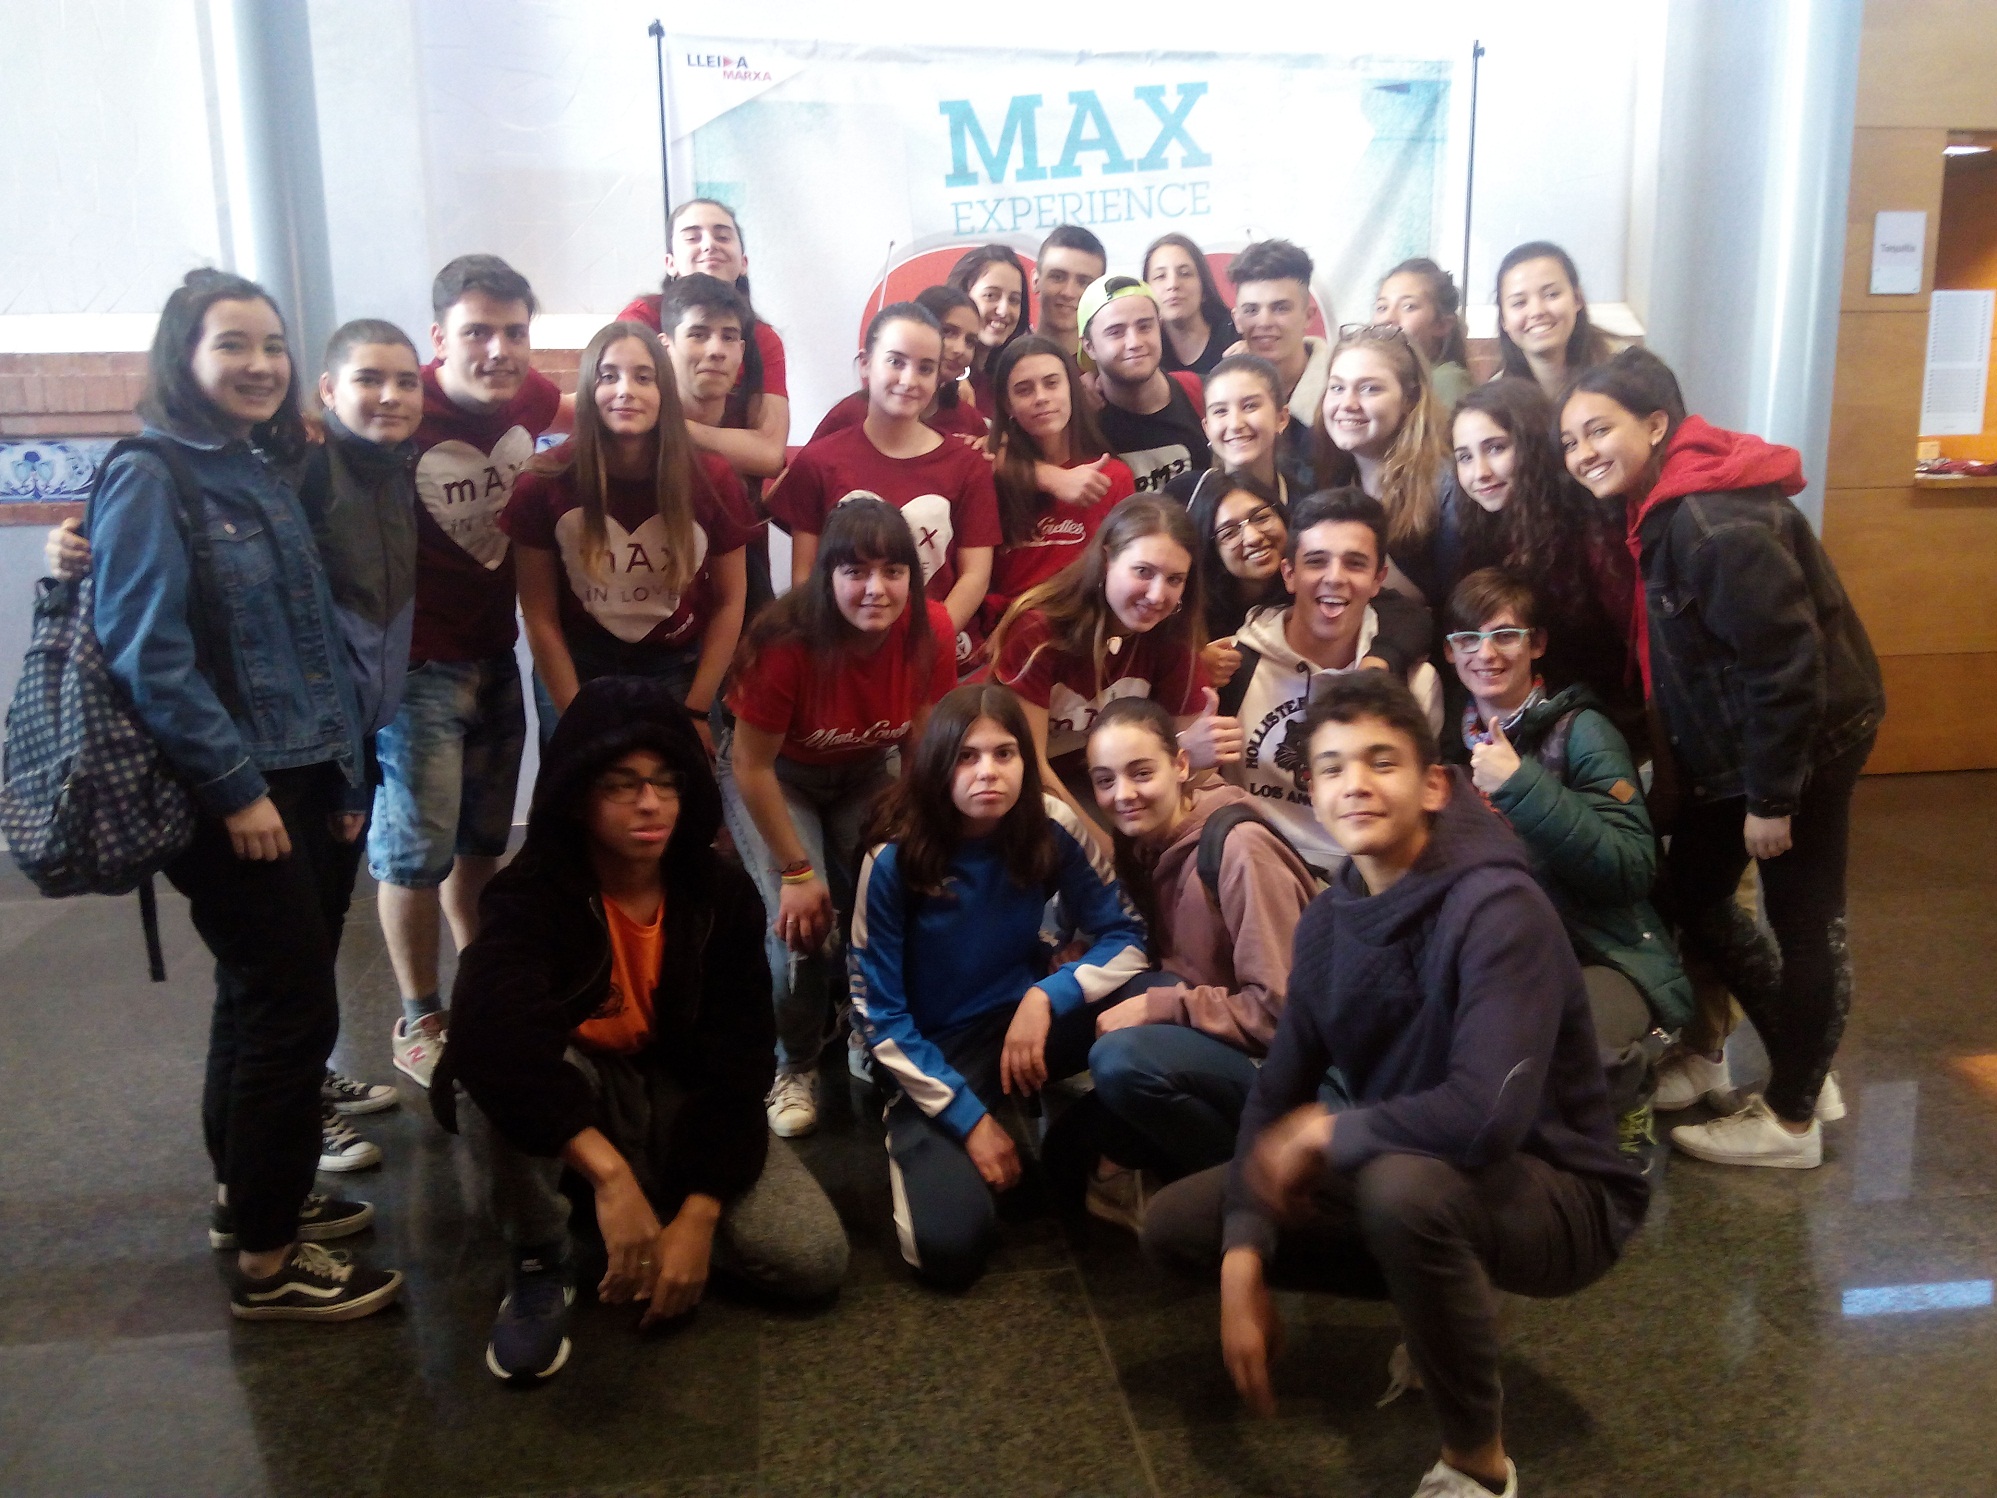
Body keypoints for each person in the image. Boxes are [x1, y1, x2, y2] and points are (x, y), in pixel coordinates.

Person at [1143, 673, 1650, 1498]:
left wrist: (1326, 1133)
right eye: (1332, 767)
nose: (1356, 784)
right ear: (1312, 793)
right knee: (1181, 1225)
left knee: (1401, 1191)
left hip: (1561, 1191)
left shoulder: (1498, 906)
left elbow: (1485, 1117)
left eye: (1382, 762)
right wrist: (1243, 1257)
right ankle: (1442, 1290)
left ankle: (1476, 1465)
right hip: (1421, 1162)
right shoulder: (1329, 919)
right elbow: (1277, 1091)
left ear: (1433, 785)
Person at [88, 268, 400, 1320]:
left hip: (305, 774)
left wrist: (345, 776)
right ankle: (269, 1263)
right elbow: (149, 654)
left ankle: (248, 1200)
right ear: (184, 356)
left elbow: (313, 645)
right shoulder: (152, 476)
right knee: (292, 1008)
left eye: (271, 344)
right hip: (237, 791)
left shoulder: (259, 466)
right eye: (233, 344)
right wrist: (234, 790)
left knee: (256, 992)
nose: (259, 364)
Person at [436, 678, 848, 1382]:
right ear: (578, 795)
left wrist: (699, 1214)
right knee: (484, 1077)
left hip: (672, 1094)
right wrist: (610, 1177)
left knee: (811, 1260)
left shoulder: (719, 895)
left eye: (666, 782)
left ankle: (635, 1216)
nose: (650, 803)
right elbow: (490, 1040)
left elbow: (741, 1062)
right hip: (577, 1090)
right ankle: (538, 1256)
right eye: (622, 785)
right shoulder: (531, 895)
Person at [1560, 348, 1884, 1169]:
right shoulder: (1665, 503)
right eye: (1570, 440)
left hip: (1800, 746)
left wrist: (1772, 799)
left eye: (1598, 430)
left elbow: (1783, 668)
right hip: (1740, 749)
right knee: (1692, 890)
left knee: (1804, 920)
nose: (1582, 452)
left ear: (1655, 425)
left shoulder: (1712, 521)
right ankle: (1791, 1068)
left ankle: (1791, 1119)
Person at [848, 682, 1149, 1288]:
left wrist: (1047, 995)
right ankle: (923, 1114)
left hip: (1025, 1021)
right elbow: (877, 1013)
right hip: (937, 1047)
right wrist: (970, 1122)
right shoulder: (893, 857)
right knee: (950, 1249)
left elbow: (1129, 933)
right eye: (967, 756)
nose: (988, 771)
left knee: (1157, 1002)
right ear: (937, 764)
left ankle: (1085, 1146)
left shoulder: (1051, 822)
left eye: (1004, 753)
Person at [374, 254, 561, 1091]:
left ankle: (482, 997)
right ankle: (419, 1016)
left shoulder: (530, 398)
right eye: (477, 331)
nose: (498, 350)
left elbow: (584, 413)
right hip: (417, 672)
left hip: (494, 657)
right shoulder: (401, 408)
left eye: (514, 332)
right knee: (414, 853)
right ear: (439, 336)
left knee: (481, 844)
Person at [719, 499, 958, 1139]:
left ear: (912, 577)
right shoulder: (783, 642)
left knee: (886, 895)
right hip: (775, 776)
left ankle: (865, 1024)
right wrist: (796, 871)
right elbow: (750, 765)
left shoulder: (930, 628)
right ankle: (794, 1063)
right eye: (856, 571)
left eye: (892, 571)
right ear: (827, 576)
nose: (876, 589)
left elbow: (921, 739)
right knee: (800, 924)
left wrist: (919, 831)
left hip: (862, 769)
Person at [1444, 567, 1694, 1150]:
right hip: (1505, 948)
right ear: (1451, 652)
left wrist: (1520, 786)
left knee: (1568, 1049)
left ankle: (1628, 1099)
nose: (1486, 654)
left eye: (1505, 635)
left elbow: (1631, 868)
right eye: (1469, 639)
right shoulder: (1451, 741)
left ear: (1536, 644)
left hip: (1603, 949)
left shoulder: (1583, 731)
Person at [1079, 697, 1317, 1201]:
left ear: (1182, 765)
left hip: (1282, 1069)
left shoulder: (1240, 850)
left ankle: (1248, 1193)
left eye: (1141, 773)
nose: (1123, 795)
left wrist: (1162, 1006)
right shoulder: (1143, 843)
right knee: (1066, 1153)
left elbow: (1280, 1013)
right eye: (1105, 780)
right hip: (1214, 1028)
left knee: (1121, 1062)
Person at [503, 319, 751, 749]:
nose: (625, 390)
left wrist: (696, 708)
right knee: (582, 787)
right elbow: (539, 614)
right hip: (576, 667)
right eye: (608, 376)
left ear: (664, 391)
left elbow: (731, 600)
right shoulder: (542, 483)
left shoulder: (712, 479)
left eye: (643, 377)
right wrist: (573, 715)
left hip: (678, 667)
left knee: (678, 787)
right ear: (588, 389)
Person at [1220, 489, 1443, 878]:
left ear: (1378, 579)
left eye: (1355, 563)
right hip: (1257, 872)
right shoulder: (1233, 666)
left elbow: (1418, 811)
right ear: (1289, 574)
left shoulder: (1413, 683)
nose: (1335, 578)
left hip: (1366, 877)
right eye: (1316, 561)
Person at [768, 301, 1000, 666]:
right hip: (843, 656)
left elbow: (974, 575)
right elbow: (805, 574)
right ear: (865, 364)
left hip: (934, 657)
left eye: (925, 368)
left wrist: (928, 643)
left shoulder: (967, 466)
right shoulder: (819, 461)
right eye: (895, 361)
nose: (909, 380)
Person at [987, 495, 1232, 831]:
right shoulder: (1037, 631)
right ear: (1106, 560)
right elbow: (1030, 765)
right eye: (1143, 572)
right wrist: (1100, 848)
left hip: (1119, 785)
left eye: (1175, 579)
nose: (1157, 595)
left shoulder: (1174, 635)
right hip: (1041, 785)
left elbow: (1195, 768)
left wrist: (1194, 756)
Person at [1449, 379, 1640, 747]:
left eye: (1496, 448)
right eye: (1465, 456)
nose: (1480, 472)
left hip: (1602, 728)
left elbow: (1633, 647)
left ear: (1534, 448)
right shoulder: (1480, 533)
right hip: (1525, 728)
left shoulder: (1589, 526)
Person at [1186, 470, 1433, 698]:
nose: (1252, 537)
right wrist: (1192, 668)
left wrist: (1379, 659)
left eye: (1261, 518)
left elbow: (1409, 616)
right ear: (1212, 549)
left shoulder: (1316, 583)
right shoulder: (1200, 612)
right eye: (1229, 532)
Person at [619, 198, 790, 485]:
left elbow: (769, 454)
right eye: (692, 237)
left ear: (744, 262)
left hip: (732, 496)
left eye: (722, 236)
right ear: (670, 263)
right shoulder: (642, 318)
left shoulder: (763, 339)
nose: (709, 245)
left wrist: (662, 425)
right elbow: (617, 416)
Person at [979, 333, 1134, 649]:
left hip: (1083, 638)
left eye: (1052, 383)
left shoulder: (1113, 477)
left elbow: (1120, 578)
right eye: (1024, 390)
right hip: (1006, 639)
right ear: (1007, 404)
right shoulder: (989, 473)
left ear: (1071, 390)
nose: (1041, 398)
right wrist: (1048, 478)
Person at [650, 272, 783, 616]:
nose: (715, 351)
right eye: (698, 334)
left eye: (728, 337)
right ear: (665, 346)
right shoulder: (634, 427)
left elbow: (775, 462)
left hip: (739, 596)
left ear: (741, 350)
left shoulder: (750, 421)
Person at [1314, 324, 1458, 605]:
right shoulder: (1329, 477)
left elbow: (1462, 603)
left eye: (1369, 389)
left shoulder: (1447, 487)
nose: (1348, 403)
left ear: (1410, 399)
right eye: (1337, 387)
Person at [809, 285, 990, 445]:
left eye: (970, 341)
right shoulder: (850, 413)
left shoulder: (968, 419)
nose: (960, 349)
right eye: (948, 332)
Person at [1079, 276, 1211, 494]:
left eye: (1144, 327)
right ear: (1089, 346)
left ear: (1160, 327)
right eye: (1116, 332)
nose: (1134, 342)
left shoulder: (1206, 395)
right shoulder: (1078, 422)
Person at [1226, 240, 1330, 488]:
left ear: (1308, 316)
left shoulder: (1341, 399)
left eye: (1280, 308)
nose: (1264, 322)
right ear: (1237, 319)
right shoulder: (1221, 397)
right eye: (1251, 310)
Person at [1494, 241, 1619, 400]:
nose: (1537, 311)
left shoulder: (1625, 376)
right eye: (1519, 303)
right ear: (1503, 319)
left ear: (1577, 299)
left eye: (1551, 294)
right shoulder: (1496, 401)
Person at [1374, 258, 1472, 411]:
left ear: (1442, 324)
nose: (1387, 318)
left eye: (1408, 306)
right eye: (1382, 307)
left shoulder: (1446, 380)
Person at [947, 244, 1031, 417]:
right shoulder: (937, 380)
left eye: (1014, 300)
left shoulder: (1011, 379)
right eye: (991, 295)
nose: (1003, 310)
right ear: (962, 296)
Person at [1144, 232, 1234, 376]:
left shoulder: (1234, 335)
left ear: (1204, 286)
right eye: (1160, 276)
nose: (1173, 285)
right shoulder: (1144, 348)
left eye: (1185, 273)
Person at [1032, 225, 1107, 356]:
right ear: (1036, 281)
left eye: (1084, 282)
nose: (1068, 293)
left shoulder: (1109, 365)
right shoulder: (1006, 361)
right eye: (1057, 277)